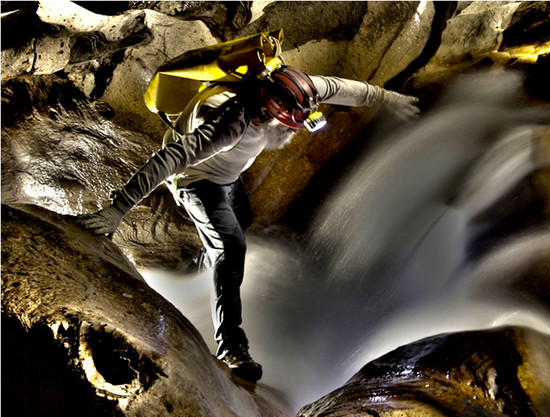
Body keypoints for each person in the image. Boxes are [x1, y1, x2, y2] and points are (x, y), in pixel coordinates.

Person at [78, 64, 420, 382]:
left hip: (228, 175)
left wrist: (387, 98)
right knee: (230, 245)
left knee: (242, 220)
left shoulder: (297, 88)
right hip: (198, 179)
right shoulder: (229, 124)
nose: (293, 133)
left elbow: (344, 89)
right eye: (291, 126)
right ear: (268, 113)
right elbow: (169, 159)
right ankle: (231, 348)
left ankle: (196, 267)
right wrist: (116, 210)